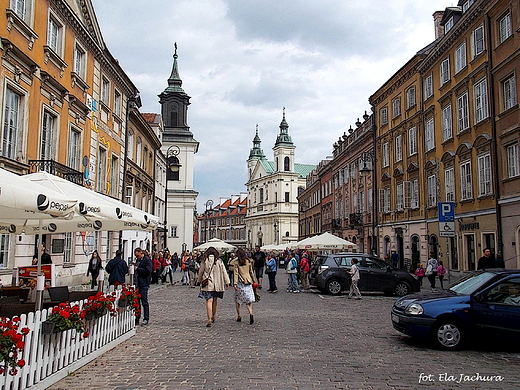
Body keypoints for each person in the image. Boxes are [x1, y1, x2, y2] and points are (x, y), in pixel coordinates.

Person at [197, 247, 230, 327]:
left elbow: (201, 271)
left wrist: (199, 280)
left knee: (209, 300)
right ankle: (213, 316)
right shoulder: (219, 261)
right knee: (215, 300)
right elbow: (224, 271)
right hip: (217, 283)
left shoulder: (205, 260)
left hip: (208, 283)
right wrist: (227, 282)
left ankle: (209, 319)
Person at [233, 248, 256, 324]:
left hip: (240, 282)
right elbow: (251, 272)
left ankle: (239, 315)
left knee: (238, 300)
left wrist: (235, 283)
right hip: (248, 282)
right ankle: (251, 313)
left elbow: (236, 274)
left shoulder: (236, 262)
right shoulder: (248, 261)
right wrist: (253, 280)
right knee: (248, 300)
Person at [135, 247, 152, 326]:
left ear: (141, 253)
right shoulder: (138, 260)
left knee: (144, 302)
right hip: (137, 283)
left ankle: (146, 318)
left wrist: (138, 269)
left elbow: (148, 271)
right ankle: (137, 318)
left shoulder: (147, 260)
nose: (136, 257)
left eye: (137, 255)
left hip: (144, 283)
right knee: (137, 302)